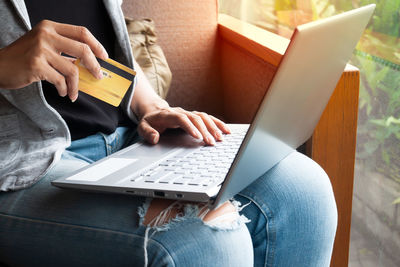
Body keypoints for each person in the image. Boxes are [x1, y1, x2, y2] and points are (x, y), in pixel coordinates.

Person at [0, 1, 338, 266]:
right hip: (19, 166)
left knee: (304, 190)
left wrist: (151, 106)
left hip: (125, 136)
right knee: (206, 238)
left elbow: (102, 58)